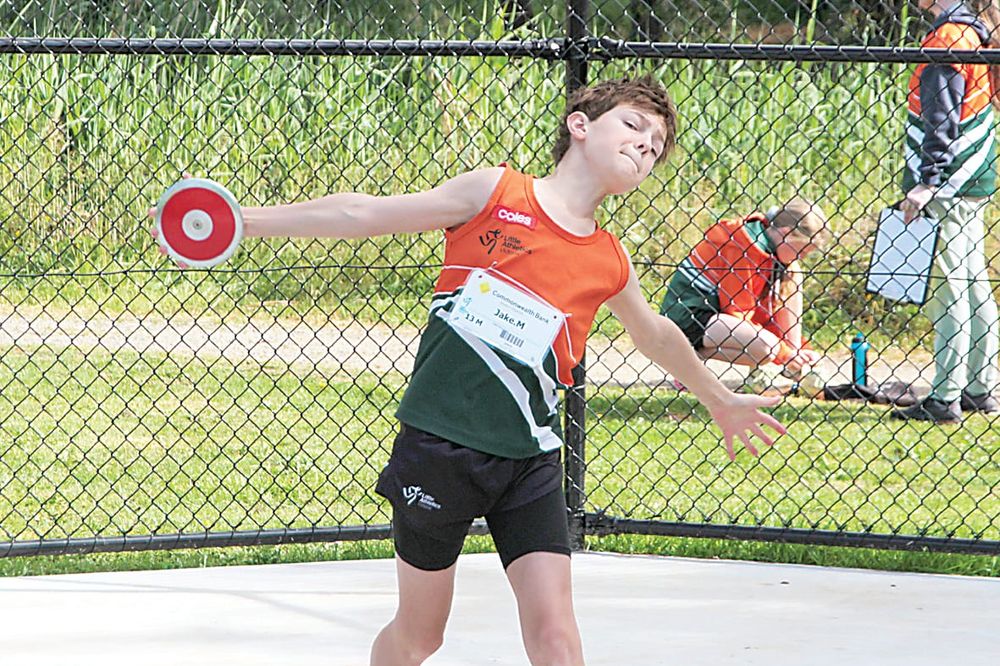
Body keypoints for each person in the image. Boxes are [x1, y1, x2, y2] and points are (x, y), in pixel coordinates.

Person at [152, 75, 785, 666]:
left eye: (656, 147)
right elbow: (363, 214)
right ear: (580, 125)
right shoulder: (495, 193)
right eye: (633, 126)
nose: (645, 146)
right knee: (419, 636)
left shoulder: (609, 258)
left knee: (557, 637)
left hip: (530, 460)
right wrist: (244, 223)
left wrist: (720, 397)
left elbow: (657, 335)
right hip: (441, 447)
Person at [894, 0, 1000, 423]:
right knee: (974, 283)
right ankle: (979, 387)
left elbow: (941, 118)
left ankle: (944, 396)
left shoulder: (949, 37)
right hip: (972, 182)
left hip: (947, 186)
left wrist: (927, 182)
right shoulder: (974, 32)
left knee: (949, 289)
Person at [659, 199, 827, 391]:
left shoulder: (773, 250)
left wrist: (798, 351)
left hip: (720, 318)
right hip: (690, 315)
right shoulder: (744, 245)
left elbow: (764, 311)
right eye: (803, 250)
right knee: (767, 347)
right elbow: (738, 311)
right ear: (786, 233)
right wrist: (784, 353)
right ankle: (686, 363)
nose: (802, 257)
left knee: (793, 275)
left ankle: (796, 364)